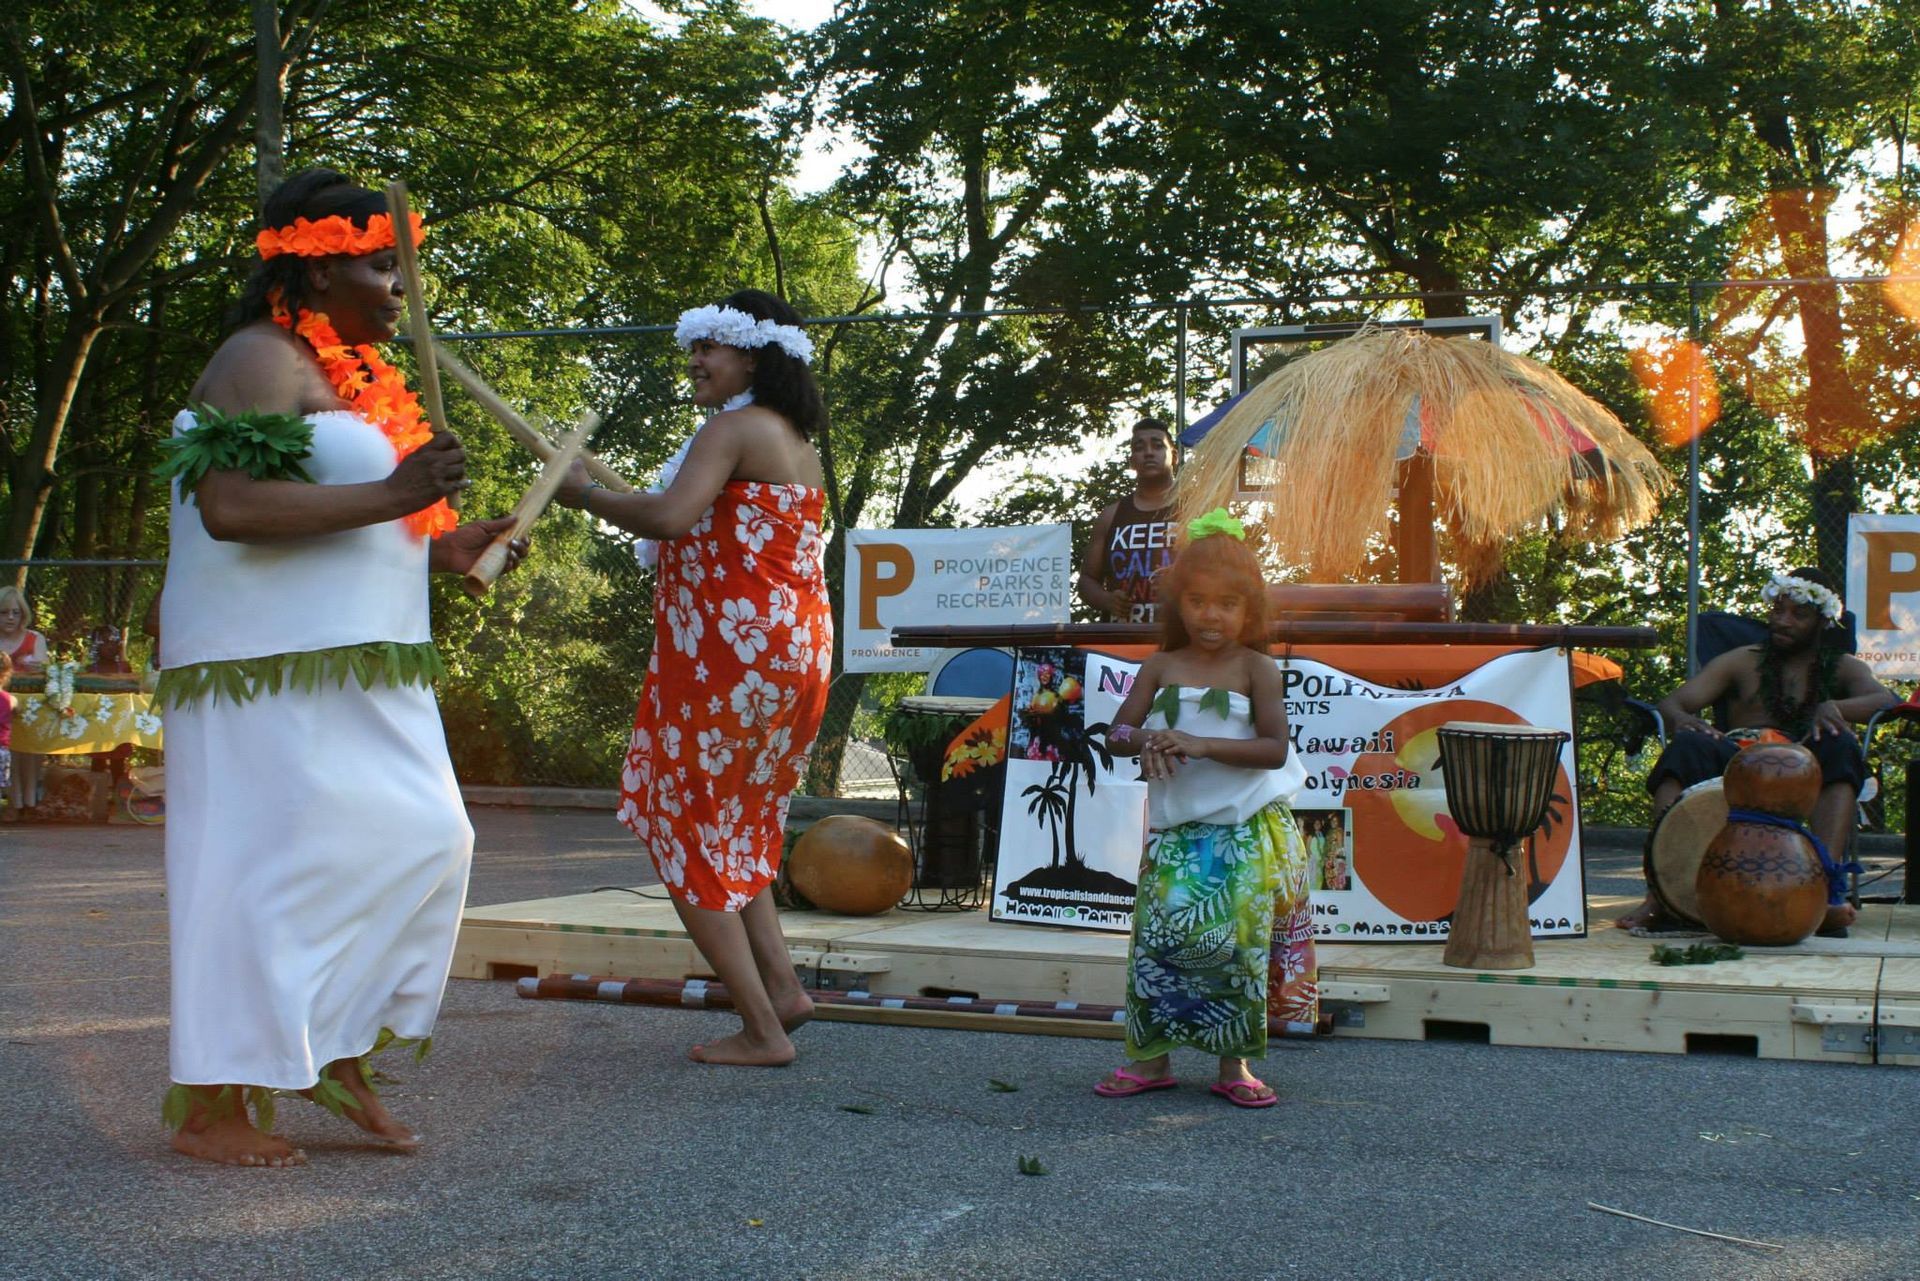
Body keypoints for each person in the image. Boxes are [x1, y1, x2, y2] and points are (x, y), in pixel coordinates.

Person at [156, 168, 528, 1167]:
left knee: (427, 840)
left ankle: (333, 1046)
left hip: (365, 664)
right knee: (261, 874)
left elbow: (363, 525)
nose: (398, 290)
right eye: (378, 265)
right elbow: (231, 511)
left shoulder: (358, 384)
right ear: (316, 276)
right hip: (257, 667)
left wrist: (451, 546)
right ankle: (212, 1107)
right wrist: (400, 491)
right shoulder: (259, 358)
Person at [554, 289, 833, 1068]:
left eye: (709, 347)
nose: (696, 362)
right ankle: (781, 990)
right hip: (790, 651)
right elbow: (694, 514)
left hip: (727, 656)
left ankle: (761, 1028)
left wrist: (583, 495)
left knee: (682, 828)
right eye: (694, 348)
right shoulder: (788, 435)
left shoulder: (732, 429)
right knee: (734, 825)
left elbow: (673, 516)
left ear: (752, 353)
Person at [1094, 509, 1317, 1108]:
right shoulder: (1161, 665)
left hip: (1244, 831)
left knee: (1237, 945)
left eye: (1226, 604)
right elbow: (1118, 733)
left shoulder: (1256, 668)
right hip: (1175, 832)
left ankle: (1233, 1064)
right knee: (1158, 940)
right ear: (1178, 604)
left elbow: (1273, 750)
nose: (1210, 616)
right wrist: (1150, 740)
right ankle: (1151, 1059)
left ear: (1250, 609)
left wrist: (1197, 743)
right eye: (1196, 601)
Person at [1619, 567, 1899, 933]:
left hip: (1805, 761)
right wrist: (1686, 721)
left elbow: (1886, 699)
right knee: (1686, 747)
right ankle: (1662, 897)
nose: (1783, 621)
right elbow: (1673, 704)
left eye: (1799, 614)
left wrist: (1837, 707)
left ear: (1823, 621)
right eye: (1778, 610)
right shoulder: (1742, 659)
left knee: (1841, 744)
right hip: (1738, 759)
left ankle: (1823, 895)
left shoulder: (1842, 667)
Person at [1077, 417, 1178, 622]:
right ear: (1132, 461)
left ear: (1174, 456)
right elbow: (1086, 581)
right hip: (1120, 640)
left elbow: (1221, 575)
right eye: (1139, 448)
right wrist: (1106, 600)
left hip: (1180, 641)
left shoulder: (1198, 509)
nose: (1149, 452)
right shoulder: (1110, 515)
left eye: (1158, 446)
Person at [0, 586, 48, 812]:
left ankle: (30, 802)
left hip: (29, 705)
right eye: (4, 612)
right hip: (2, 708)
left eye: (15, 612)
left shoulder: (35, 638)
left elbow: (44, 671)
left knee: (29, 751)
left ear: (23, 614)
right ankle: (12, 804)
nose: (10, 617)